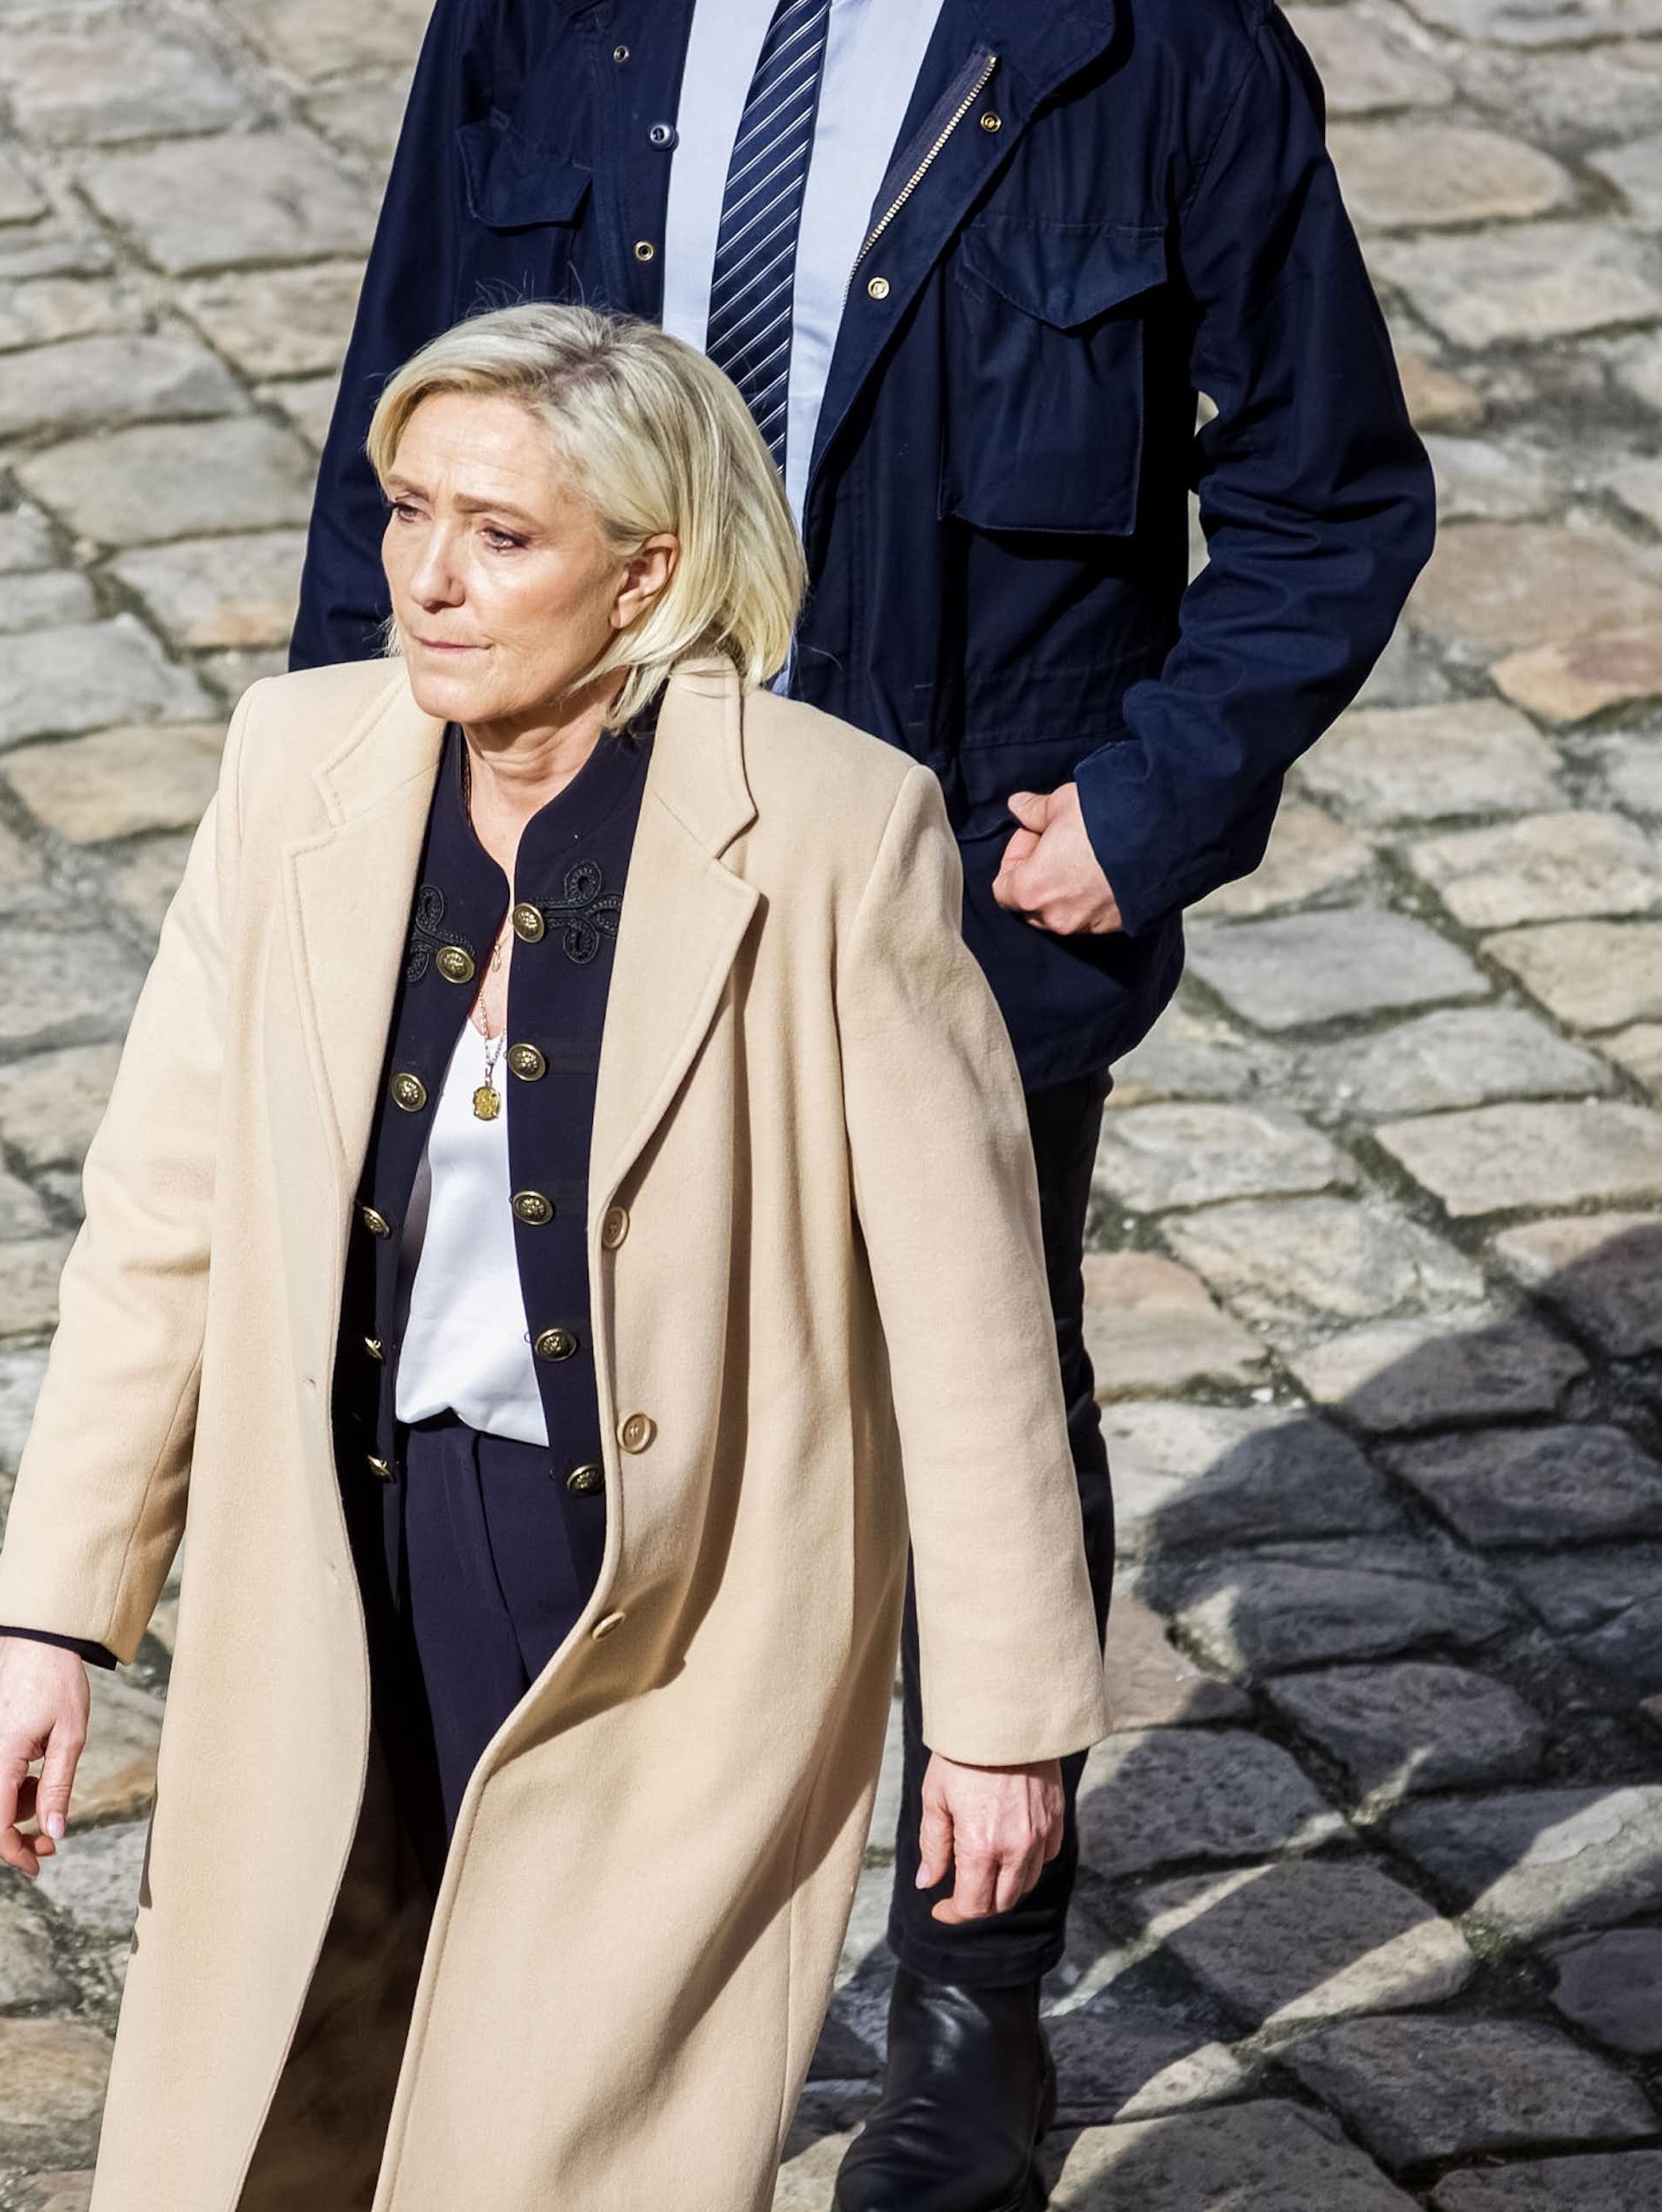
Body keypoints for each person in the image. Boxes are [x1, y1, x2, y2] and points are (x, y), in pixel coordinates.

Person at [289, 4, 1436, 2202]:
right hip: (571, 831)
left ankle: (967, 2011)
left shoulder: (1158, 51)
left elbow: (1329, 495)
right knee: (530, 1357)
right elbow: (399, 426)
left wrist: (1147, 799)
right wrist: (354, 809)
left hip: (949, 888)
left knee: (968, 1391)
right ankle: (517, 1932)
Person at [0, 303, 1108, 2212]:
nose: (427, 575)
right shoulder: (295, 763)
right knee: (284, 2091)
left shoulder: (834, 833)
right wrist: (55, 1621)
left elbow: (970, 1318)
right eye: (411, 510)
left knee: (553, 2136)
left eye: (500, 535)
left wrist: (996, 1730)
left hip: (669, 1607)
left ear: (644, 573)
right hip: (336, 1548)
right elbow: (162, 1223)